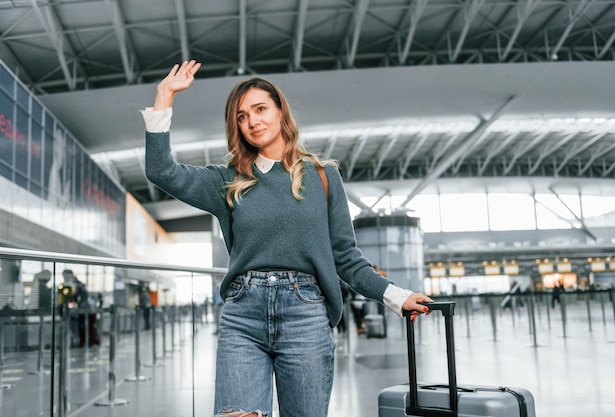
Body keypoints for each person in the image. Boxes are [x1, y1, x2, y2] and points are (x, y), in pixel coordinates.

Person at [140, 60, 433, 417]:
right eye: (242, 117)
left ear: (280, 111)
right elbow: (160, 171)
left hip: (306, 316)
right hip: (242, 318)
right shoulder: (228, 181)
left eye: (260, 109)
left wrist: (396, 296)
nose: (252, 122)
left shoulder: (324, 177)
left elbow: (346, 257)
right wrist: (163, 95)